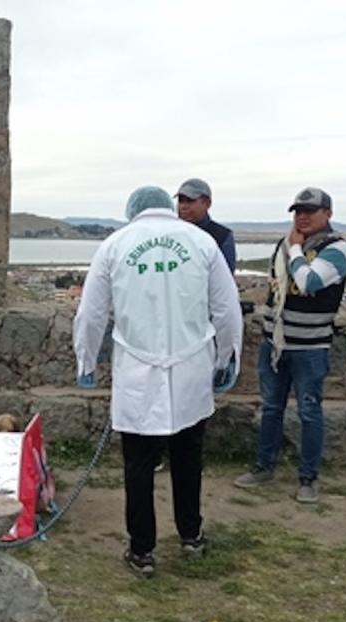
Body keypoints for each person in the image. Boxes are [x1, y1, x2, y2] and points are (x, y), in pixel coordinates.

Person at [73, 186, 242, 577]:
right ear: (167, 207)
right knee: (188, 457)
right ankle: (191, 533)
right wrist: (225, 358)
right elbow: (227, 309)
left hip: (137, 368)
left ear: (132, 209)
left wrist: (86, 361)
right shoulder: (201, 242)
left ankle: (142, 549)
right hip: (191, 368)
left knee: (139, 464)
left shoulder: (115, 245)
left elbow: (91, 313)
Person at [234, 187, 346, 503]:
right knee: (272, 407)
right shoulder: (283, 246)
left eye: (309, 211)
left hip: (310, 347)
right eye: (298, 211)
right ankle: (264, 466)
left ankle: (308, 478)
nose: (302, 216)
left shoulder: (336, 248)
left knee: (310, 410)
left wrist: (296, 250)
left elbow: (309, 281)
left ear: (327, 213)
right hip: (276, 343)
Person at [176, 178, 237, 273]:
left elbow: (226, 278)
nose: (184, 206)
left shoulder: (222, 236)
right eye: (181, 201)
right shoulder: (172, 233)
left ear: (207, 203)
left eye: (190, 200)